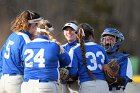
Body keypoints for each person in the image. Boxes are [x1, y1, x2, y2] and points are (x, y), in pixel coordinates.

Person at [21, 20, 71, 93]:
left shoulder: (27, 45)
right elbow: (67, 61)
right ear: (49, 32)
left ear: (36, 31)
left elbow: (23, 63)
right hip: (45, 84)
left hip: (27, 85)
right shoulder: (54, 45)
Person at [0, 10, 43, 93]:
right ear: (34, 25)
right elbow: (31, 65)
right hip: (16, 81)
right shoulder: (26, 40)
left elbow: (1, 57)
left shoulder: (12, 36)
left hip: (3, 80)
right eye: (38, 25)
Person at [69, 23, 109, 93]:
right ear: (91, 35)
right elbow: (107, 68)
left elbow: (73, 72)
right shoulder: (100, 48)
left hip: (87, 85)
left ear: (77, 35)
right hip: (103, 85)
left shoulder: (74, 49)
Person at [100, 28, 133, 93]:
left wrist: (114, 78)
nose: (107, 42)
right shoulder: (97, 55)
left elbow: (125, 80)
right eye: (105, 39)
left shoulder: (124, 59)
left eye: (110, 39)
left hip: (114, 90)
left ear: (118, 41)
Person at [61, 21, 79, 93]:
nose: (69, 32)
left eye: (72, 30)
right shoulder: (61, 47)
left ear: (77, 32)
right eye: (66, 30)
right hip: (64, 83)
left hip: (78, 83)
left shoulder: (82, 47)